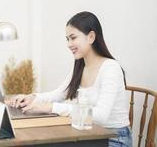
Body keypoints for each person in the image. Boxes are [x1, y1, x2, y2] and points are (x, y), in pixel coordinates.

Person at [8, 11, 132, 147]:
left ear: (91, 37)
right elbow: (58, 94)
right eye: (67, 39)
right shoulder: (80, 66)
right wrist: (32, 97)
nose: (69, 44)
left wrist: (51, 108)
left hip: (114, 139)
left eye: (73, 38)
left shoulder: (111, 68)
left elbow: (101, 117)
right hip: (89, 135)